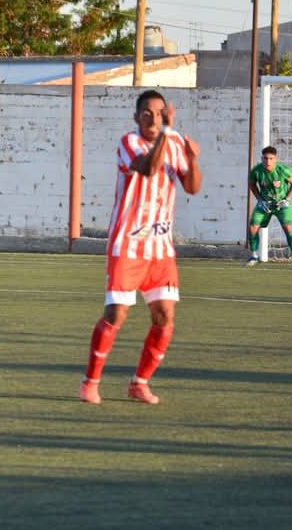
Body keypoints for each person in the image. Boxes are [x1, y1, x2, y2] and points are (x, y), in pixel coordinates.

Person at [79, 89, 202, 406]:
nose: (153, 118)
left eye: (159, 113)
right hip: (128, 244)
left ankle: (139, 383)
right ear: (136, 117)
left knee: (164, 316)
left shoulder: (174, 143)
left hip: (160, 248)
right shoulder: (129, 143)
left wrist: (192, 159)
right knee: (116, 313)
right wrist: (166, 132)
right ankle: (90, 382)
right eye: (147, 113)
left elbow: (192, 187)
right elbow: (148, 167)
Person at [246, 146, 292, 266]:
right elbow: (252, 184)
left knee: (288, 227)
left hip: (282, 204)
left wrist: (287, 199)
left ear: (275, 159)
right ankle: (254, 256)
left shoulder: (283, 170)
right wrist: (259, 199)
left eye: (271, 158)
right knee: (253, 226)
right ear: (262, 158)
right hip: (265, 204)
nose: (268, 161)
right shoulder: (256, 170)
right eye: (265, 158)